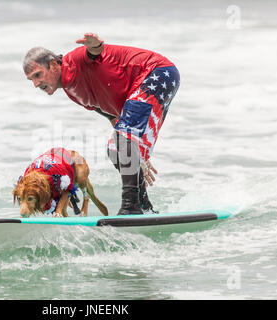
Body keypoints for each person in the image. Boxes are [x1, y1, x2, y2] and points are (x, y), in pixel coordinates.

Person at [23, 33, 180, 215]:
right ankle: (143, 206)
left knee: (123, 139)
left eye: (38, 75)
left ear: (53, 64)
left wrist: (95, 44)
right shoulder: (72, 91)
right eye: (31, 80)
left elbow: (94, 52)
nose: (35, 84)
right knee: (114, 149)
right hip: (143, 85)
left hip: (157, 73)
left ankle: (130, 208)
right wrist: (136, 153)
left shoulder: (74, 60)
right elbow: (113, 117)